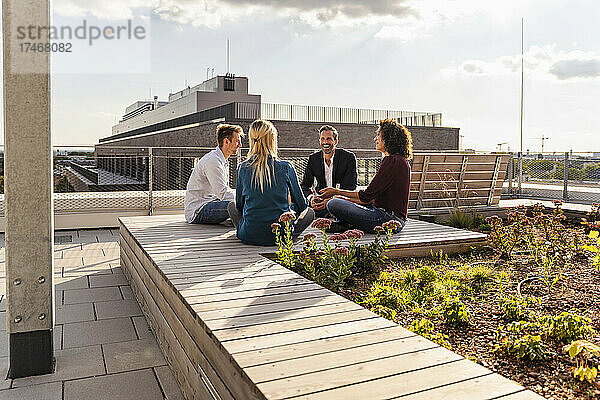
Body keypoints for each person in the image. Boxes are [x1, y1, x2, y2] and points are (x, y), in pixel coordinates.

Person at [228, 119, 315, 246]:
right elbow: (302, 205)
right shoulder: (286, 167)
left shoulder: (243, 167)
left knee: (231, 206)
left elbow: (240, 206)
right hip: (281, 233)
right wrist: (289, 209)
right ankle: (287, 235)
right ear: (272, 139)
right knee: (310, 213)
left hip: (249, 235)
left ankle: (248, 230)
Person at [320, 118, 412, 233]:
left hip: (387, 219)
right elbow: (371, 198)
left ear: (388, 138)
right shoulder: (399, 160)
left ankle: (345, 224)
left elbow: (366, 196)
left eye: (378, 135)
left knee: (333, 203)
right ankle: (344, 225)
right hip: (386, 215)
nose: (375, 138)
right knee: (339, 201)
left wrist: (336, 192)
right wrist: (345, 199)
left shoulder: (392, 161)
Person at [184, 124, 242, 224]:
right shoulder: (213, 161)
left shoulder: (221, 160)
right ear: (226, 141)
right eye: (237, 141)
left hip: (212, 202)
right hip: (198, 210)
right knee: (235, 206)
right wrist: (243, 202)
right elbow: (222, 192)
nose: (240, 145)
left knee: (240, 204)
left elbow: (223, 192)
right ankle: (246, 227)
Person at [300, 125, 357, 217]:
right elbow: (305, 185)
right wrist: (311, 198)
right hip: (319, 200)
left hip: (339, 200)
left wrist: (331, 200)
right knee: (297, 205)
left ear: (335, 141)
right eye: (322, 139)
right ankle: (328, 213)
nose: (325, 142)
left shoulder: (348, 158)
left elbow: (350, 187)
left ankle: (329, 212)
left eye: (328, 139)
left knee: (338, 206)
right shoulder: (313, 159)